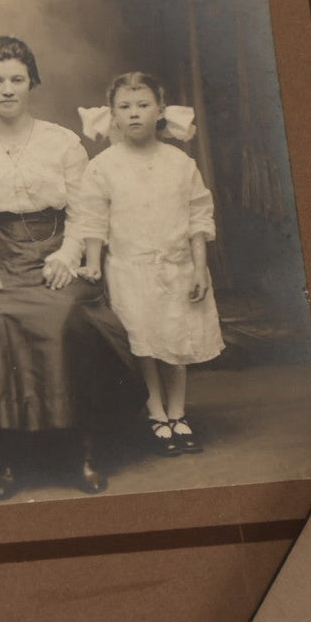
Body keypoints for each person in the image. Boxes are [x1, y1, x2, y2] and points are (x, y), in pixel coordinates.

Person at [0, 36, 144, 500]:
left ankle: (80, 449)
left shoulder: (62, 141)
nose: (8, 89)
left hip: (55, 254)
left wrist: (68, 255)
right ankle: (8, 454)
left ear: (33, 84)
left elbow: (86, 212)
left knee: (66, 316)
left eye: (17, 79)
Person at [78, 72, 223, 456]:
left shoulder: (179, 162)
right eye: (125, 107)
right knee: (143, 342)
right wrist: (93, 263)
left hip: (178, 267)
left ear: (160, 110)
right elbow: (92, 220)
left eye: (143, 105)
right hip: (130, 269)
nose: (135, 114)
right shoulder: (104, 165)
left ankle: (178, 412)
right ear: (113, 114)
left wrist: (197, 266)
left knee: (177, 340)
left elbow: (198, 216)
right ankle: (155, 410)